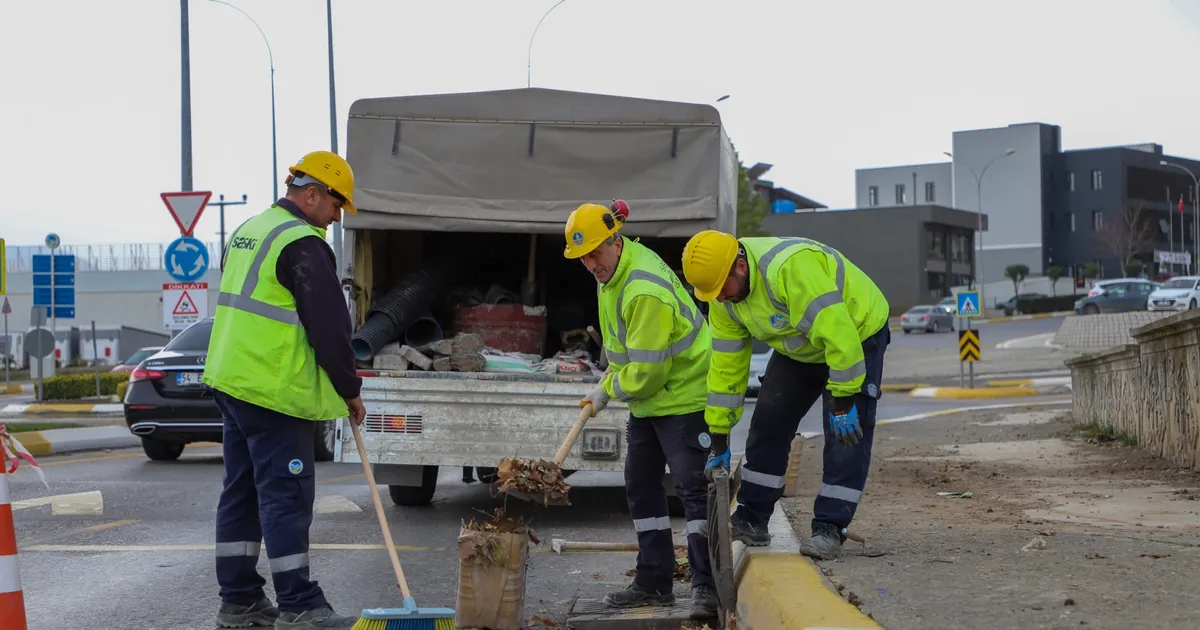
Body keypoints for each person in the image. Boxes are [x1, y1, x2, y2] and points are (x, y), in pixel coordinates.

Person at [203, 150, 368, 630]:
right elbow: (330, 326)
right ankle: (299, 604)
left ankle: (239, 601)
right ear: (312, 194)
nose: (338, 216)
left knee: (242, 493)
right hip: (272, 390)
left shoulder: (251, 229)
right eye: (337, 205)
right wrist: (349, 388)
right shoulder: (302, 242)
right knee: (286, 495)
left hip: (233, 383)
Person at [681, 231, 890, 560]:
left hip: (856, 330)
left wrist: (845, 400)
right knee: (769, 419)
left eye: (721, 288)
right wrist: (718, 437)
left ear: (739, 265)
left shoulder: (789, 269)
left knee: (845, 434)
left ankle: (829, 528)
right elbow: (725, 369)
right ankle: (752, 517)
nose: (718, 298)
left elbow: (839, 334)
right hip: (801, 344)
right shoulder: (722, 300)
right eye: (711, 293)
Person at [564, 201, 719, 618]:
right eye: (583, 258)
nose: (591, 264)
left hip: (685, 396)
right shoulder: (613, 272)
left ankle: (708, 588)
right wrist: (606, 382)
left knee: (692, 489)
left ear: (615, 240)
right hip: (652, 401)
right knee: (640, 482)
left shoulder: (643, 288)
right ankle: (654, 582)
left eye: (596, 253)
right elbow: (626, 348)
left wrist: (608, 389)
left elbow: (648, 372)